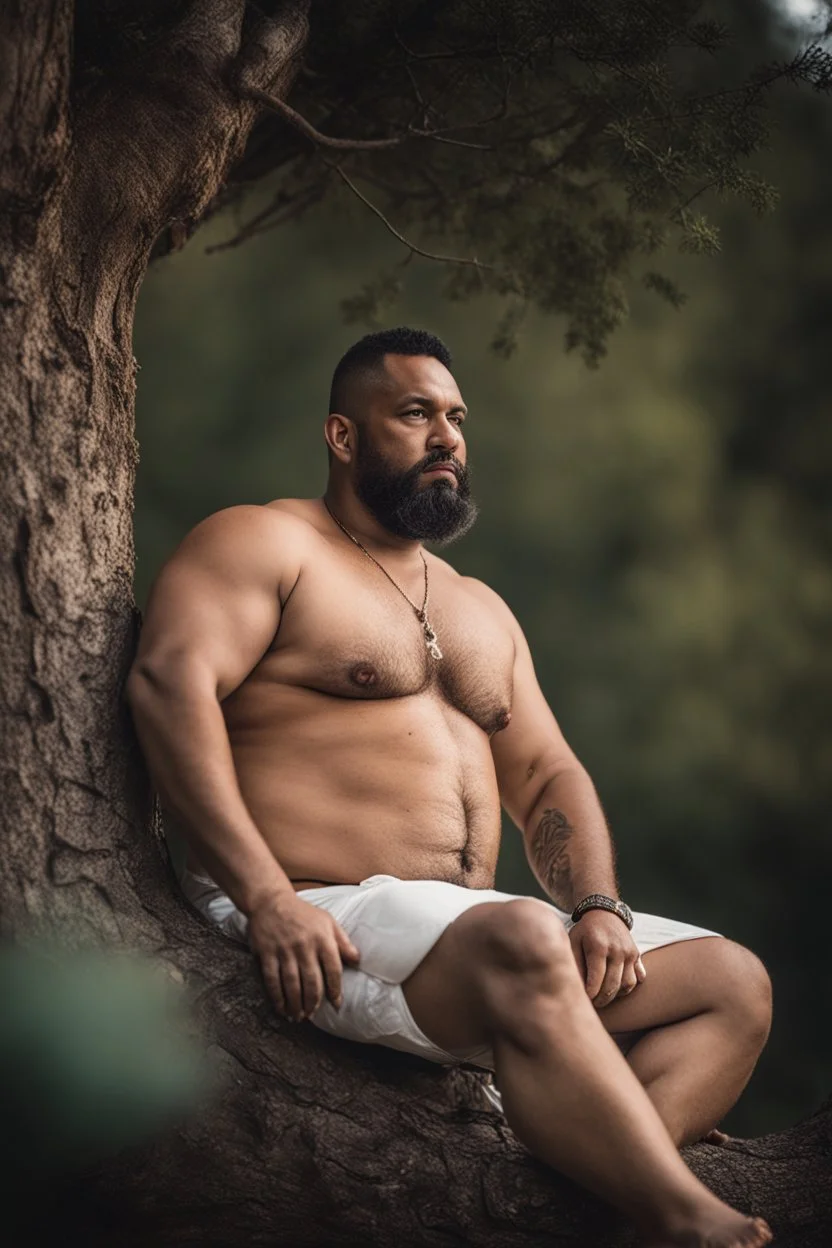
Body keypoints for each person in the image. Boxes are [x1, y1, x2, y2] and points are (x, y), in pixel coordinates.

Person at [127, 327, 773, 1247]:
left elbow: (547, 772)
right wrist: (266, 898)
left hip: (477, 947)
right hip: (324, 914)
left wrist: (596, 905)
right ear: (343, 436)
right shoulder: (263, 542)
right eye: (417, 413)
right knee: (515, 932)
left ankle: (601, 1180)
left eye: (458, 417)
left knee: (732, 983)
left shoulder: (477, 606)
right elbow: (167, 685)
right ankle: (682, 1215)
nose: (449, 437)